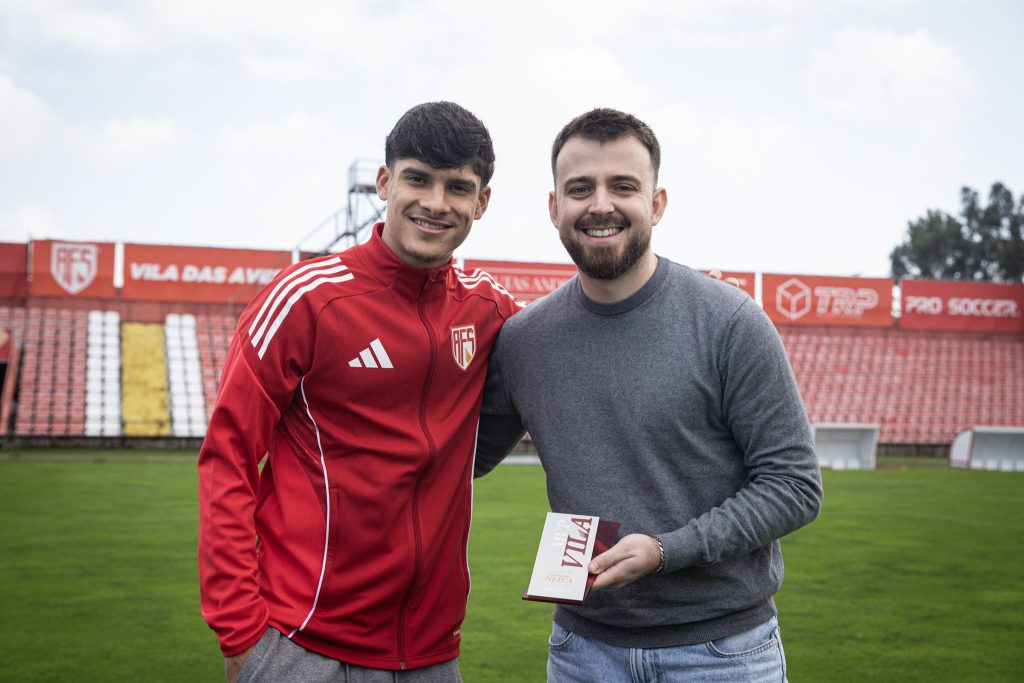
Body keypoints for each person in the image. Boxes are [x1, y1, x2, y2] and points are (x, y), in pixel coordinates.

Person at [475, 108, 824, 682]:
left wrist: (668, 550)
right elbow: (455, 458)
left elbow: (794, 485)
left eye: (623, 186)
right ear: (554, 207)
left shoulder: (730, 322)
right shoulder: (523, 341)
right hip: (582, 652)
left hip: (722, 654)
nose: (600, 205)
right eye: (580, 189)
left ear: (656, 204)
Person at [198, 101, 523, 683]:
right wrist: (239, 632)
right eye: (417, 179)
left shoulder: (488, 309)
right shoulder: (305, 299)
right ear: (384, 182)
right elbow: (227, 459)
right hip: (301, 645)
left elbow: (576, 338)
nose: (435, 203)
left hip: (432, 655)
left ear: (482, 202)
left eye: (458, 187)